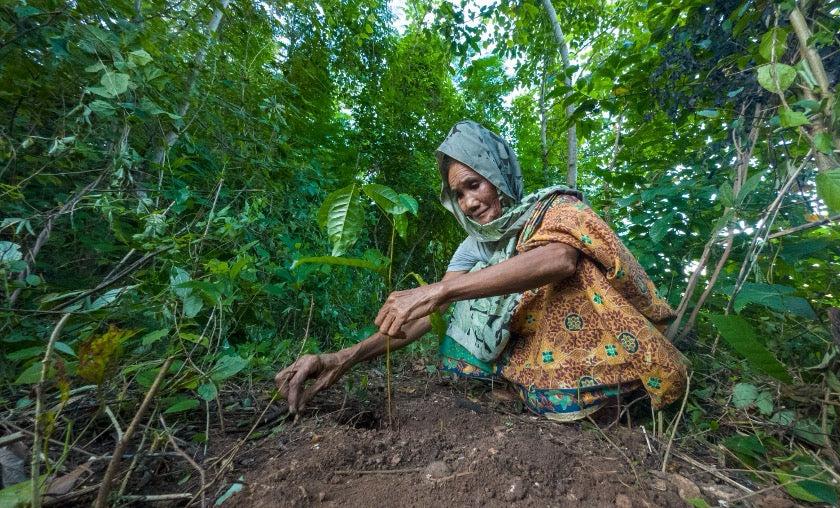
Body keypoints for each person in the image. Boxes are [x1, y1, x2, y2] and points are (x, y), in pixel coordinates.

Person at [276, 120, 687, 421]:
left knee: (569, 273)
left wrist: (441, 291)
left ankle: (620, 387)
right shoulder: (472, 248)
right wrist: (342, 357)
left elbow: (559, 260)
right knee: (460, 301)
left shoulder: (552, 209)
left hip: (602, 339)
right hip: (541, 357)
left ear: (497, 174)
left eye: (474, 185)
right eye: (458, 195)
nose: (469, 202)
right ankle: (535, 387)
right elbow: (428, 314)